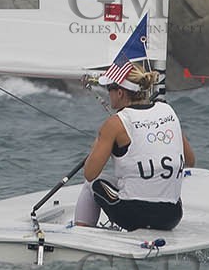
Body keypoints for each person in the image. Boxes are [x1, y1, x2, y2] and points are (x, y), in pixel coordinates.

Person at [74, 64, 193, 232]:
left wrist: (101, 141)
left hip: (132, 215)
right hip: (171, 216)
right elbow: (190, 161)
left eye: (109, 89)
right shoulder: (168, 111)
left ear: (120, 93)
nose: (108, 94)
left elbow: (90, 172)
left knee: (91, 184)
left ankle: (81, 233)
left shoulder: (115, 123)